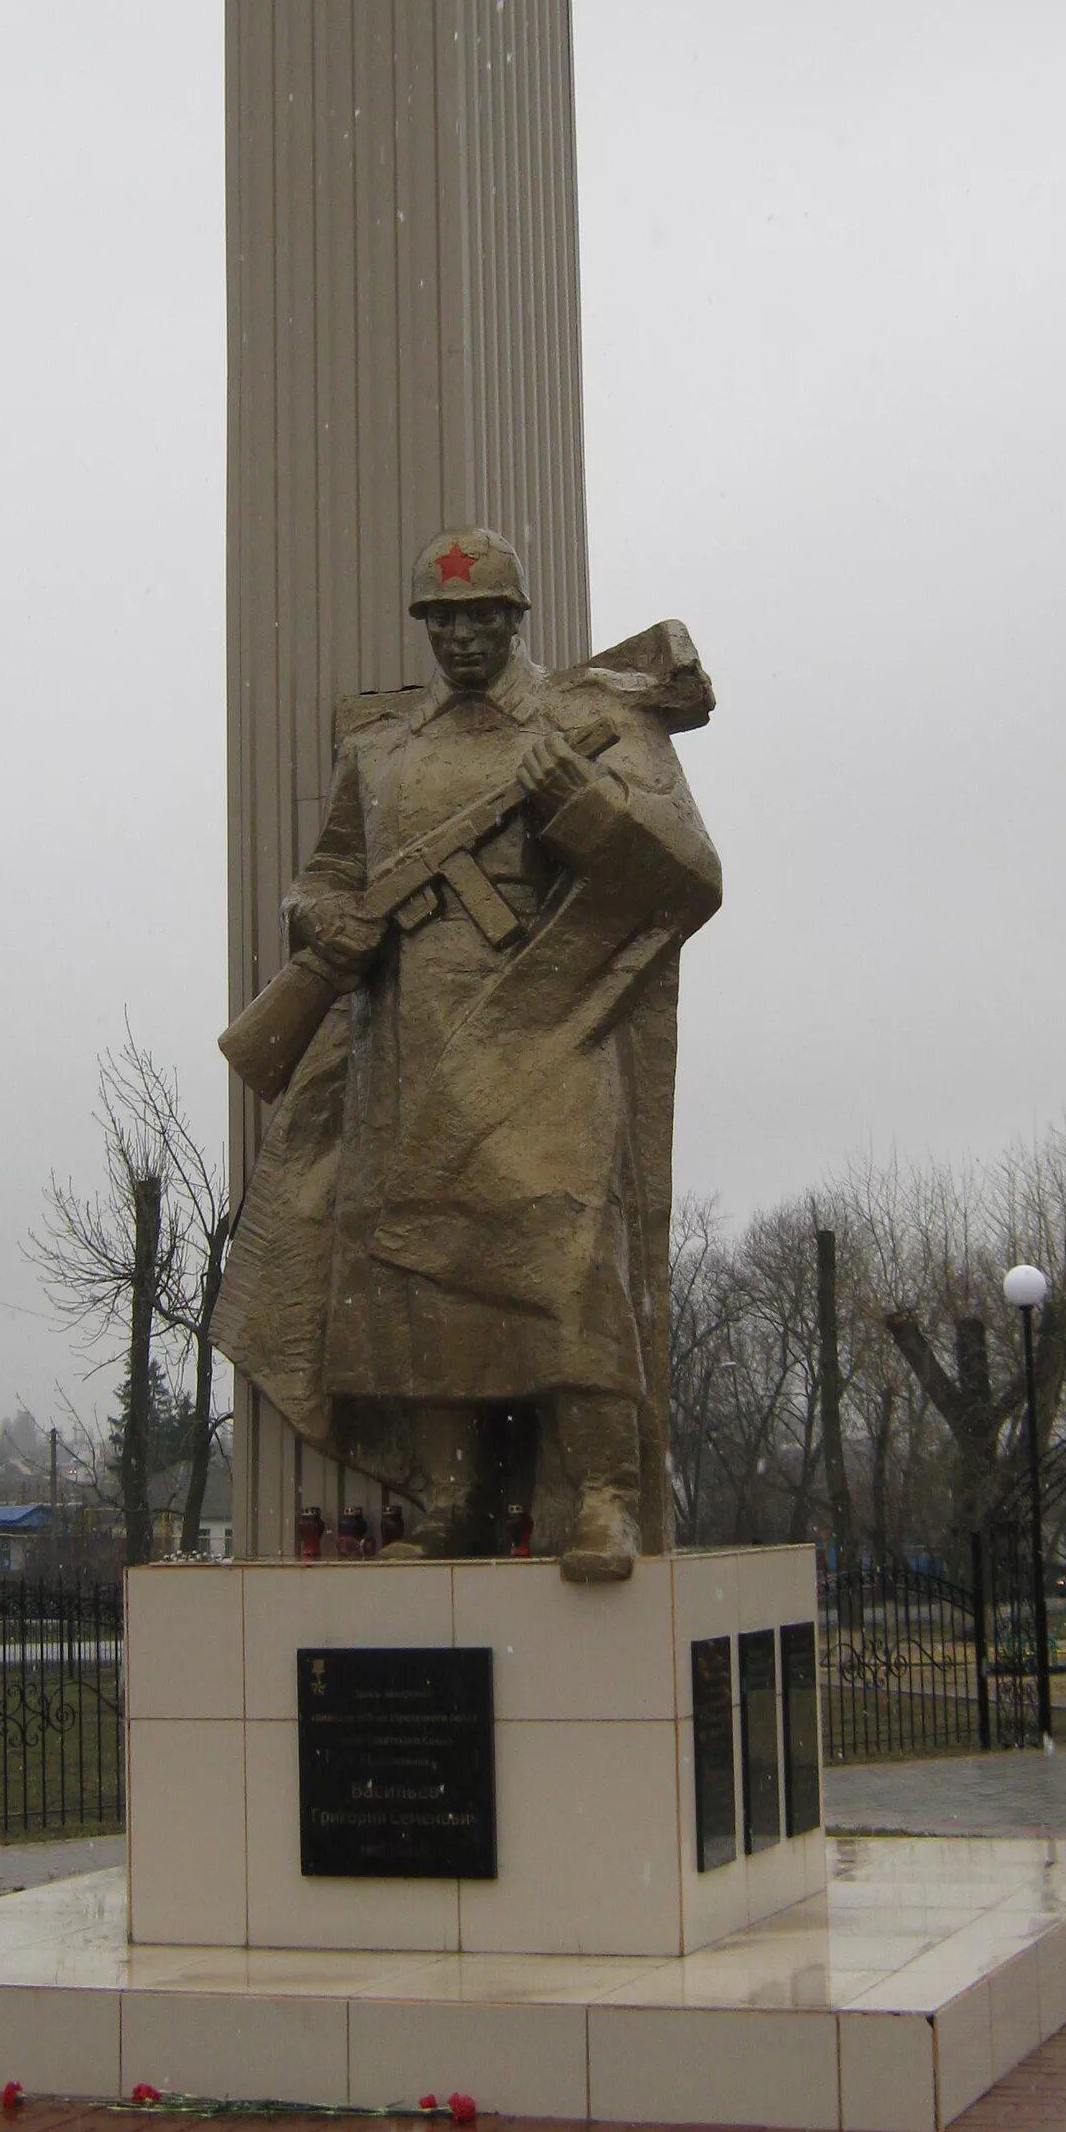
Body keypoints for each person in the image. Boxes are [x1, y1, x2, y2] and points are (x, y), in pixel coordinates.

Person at [214, 528, 720, 1581]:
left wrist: (575, 806)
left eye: (484, 617)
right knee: (415, 1270)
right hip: (408, 1041)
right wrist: (319, 923)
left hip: (550, 1024)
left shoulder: (590, 721)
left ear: (516, 620)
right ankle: (454, 1502)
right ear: (426, 629)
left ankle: (605, 1497)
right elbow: (329, 871)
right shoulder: (382, 749)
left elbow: (687, 871)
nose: (465, 637)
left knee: (568, 1253)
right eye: (445, 621)